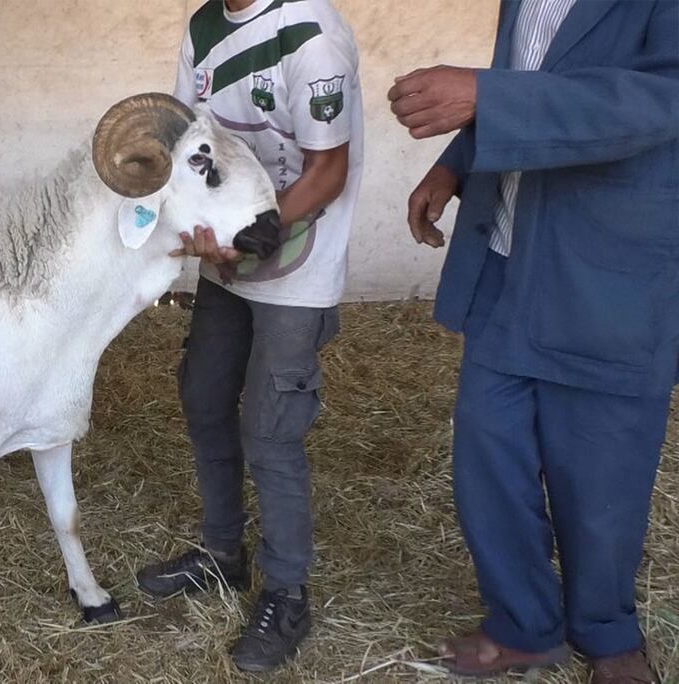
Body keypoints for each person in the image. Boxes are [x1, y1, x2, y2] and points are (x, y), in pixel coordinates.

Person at [389, 1, 678, 681]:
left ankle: (609, 637)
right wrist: (456, 164)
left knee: (602, 471)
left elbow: (662, 98)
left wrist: (485, 95)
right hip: (508, 255)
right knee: (490, 456)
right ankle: (523, 625)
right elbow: (526, 72)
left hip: (607, 269)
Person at [135, 0, 363, 672]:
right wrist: (191, 229)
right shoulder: (205, 27)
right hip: (229, 260)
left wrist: (252, 234)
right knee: (204, 396)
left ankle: (288, 592)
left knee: (270, 427)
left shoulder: (312, 38)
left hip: (296, 263)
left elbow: (328, 170)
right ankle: (222, 554)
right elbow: (186, 138)